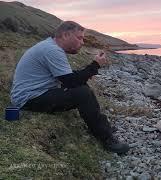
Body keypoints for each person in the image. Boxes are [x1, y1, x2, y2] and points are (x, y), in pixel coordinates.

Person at [10, 21, 130, 154]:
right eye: (79, 38)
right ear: (66, 35)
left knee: (82, 87)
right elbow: (70, 82)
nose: (82, 42)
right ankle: (107, 139)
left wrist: (89, 71)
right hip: (28, 99)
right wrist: (95, 65)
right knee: (82, 93)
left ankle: (102, 127)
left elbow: (69, 77)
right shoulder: (52, 50)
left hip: (35, 94)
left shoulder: (51, 46)